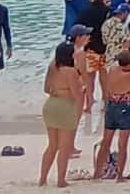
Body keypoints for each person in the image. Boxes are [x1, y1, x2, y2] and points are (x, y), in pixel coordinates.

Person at [38, 41, 81, 188]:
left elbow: (46, 88)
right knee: (64, 147)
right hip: (65, 107)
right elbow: (77, 95)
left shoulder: (52, 67)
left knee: (52, 145)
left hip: (50, 105)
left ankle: (42, 179)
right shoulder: (71, 71)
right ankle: (61, 180)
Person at [94, 49, 130, 182]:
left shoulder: (112, 70)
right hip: (124, 107)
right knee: (122, 144)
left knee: (105, 142)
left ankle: (97, 173)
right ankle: (119, 176)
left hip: (111, 106)